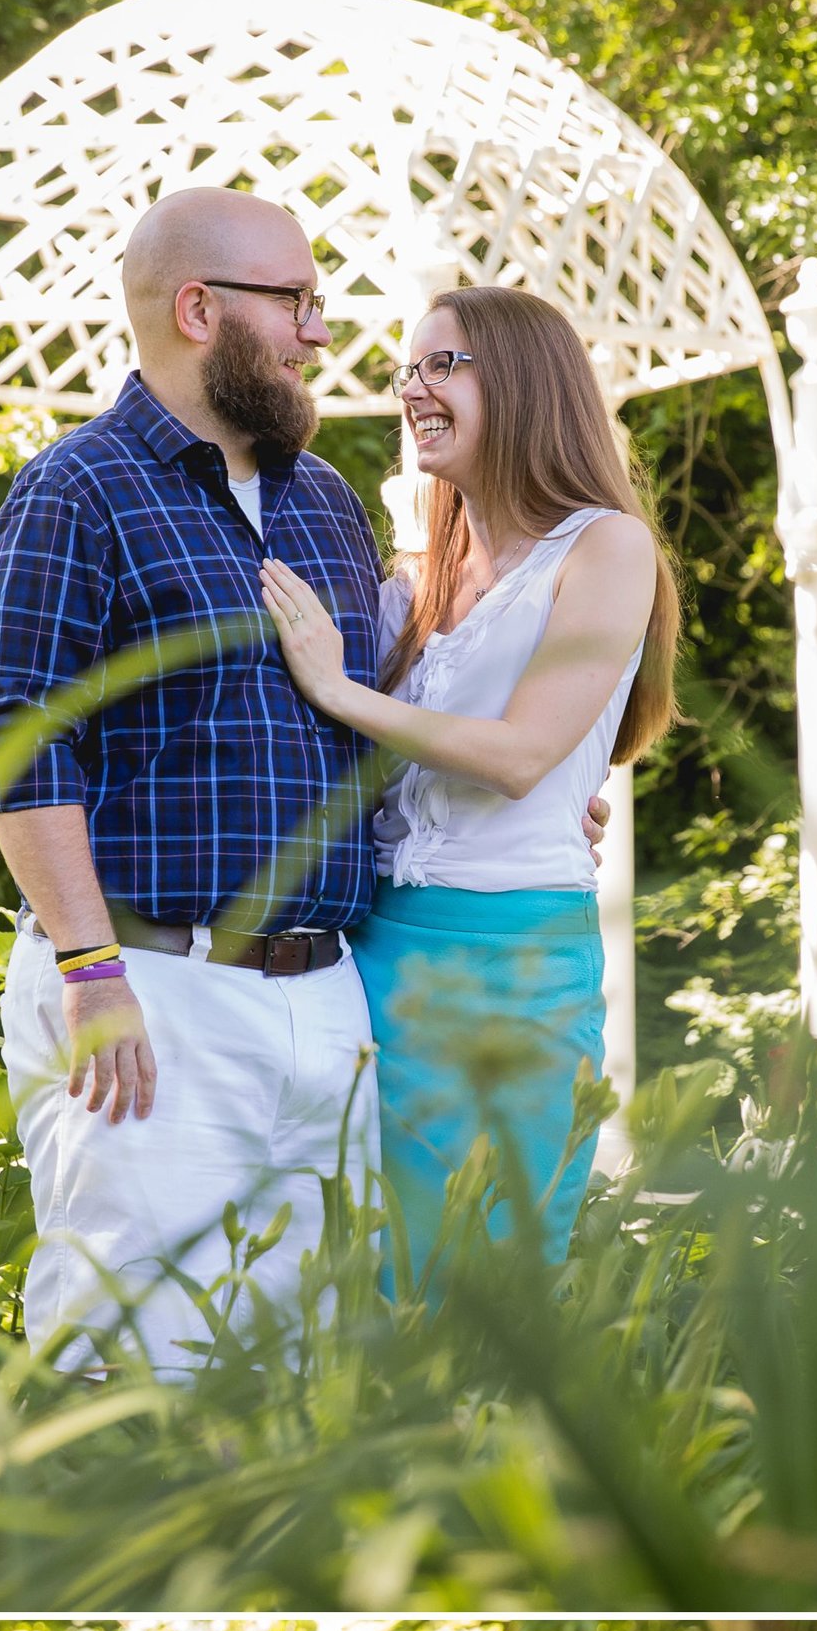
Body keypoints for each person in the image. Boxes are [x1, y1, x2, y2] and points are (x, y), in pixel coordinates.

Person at [0, 187, 382, 1379]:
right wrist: (91, 971)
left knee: (311, 1372)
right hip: (148, 989)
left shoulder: (327, 502)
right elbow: (18, 739)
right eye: (294, 301)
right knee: (137, 1365)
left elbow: (365, 719)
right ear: (200, 309)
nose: (316, 330)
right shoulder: (75, 490)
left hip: (327, 996)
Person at [260, 285, 674, 1275]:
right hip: (372, 957)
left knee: (484, 1284)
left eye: (443, 365)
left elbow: (522, 754)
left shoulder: (606, 547)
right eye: (410, 370)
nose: (414, 391)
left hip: (512, 967)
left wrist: (337, 690)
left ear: (528, 384)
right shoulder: (415, 580)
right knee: (365, 1281)